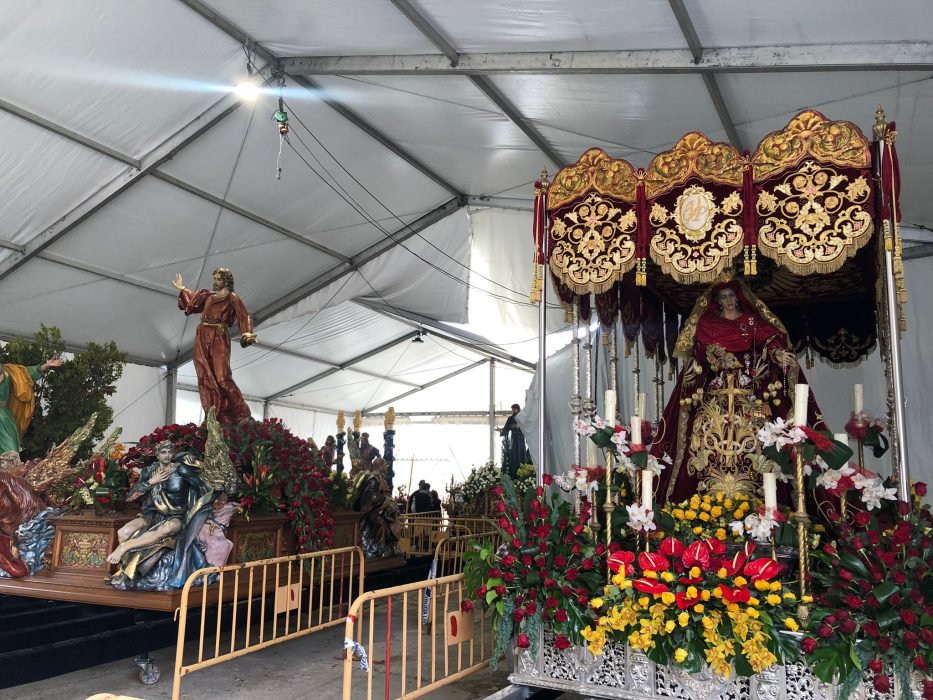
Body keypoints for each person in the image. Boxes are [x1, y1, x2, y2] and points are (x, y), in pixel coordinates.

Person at [652, 278, 825, 508]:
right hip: (716, 398)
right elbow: (700, 350)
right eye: (724, 297)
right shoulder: (708, 322)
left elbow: (769, 339)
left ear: (739, 297)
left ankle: (761, 499)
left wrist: (776, 354)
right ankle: (703, 500)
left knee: (759, 440)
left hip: (747, 397)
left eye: (732, 296)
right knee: (703, 441)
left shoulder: (752, 322)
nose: (729, 301)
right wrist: (713, 355)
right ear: (718, 301)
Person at [107, 441, 214, 590]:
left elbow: (203, 489)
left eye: (170, 452)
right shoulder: (149, 472)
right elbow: (130, 497)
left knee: (167, 528)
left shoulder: (181, 471)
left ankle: (126, 546)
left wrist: (207, 515)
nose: (167, 455)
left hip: (175, 517)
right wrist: (151, 481)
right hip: (150, 515)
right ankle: (126, 571)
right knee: (123, 531)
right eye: (163, 452)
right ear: (157, 454)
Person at [174, 268, 256, 425]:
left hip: (219, 336)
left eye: (218, 279)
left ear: (226, 281)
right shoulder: (209, 297)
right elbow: (192, 301)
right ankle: (214, 414)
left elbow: (244, 315)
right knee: (205, 376)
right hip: (202, 335)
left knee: (222, 376)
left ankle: (241, 412)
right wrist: (183, 289)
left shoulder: (232, 298)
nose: (215, 281)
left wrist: (247, 333)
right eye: (215, 278)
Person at [0, 358, 65, 455]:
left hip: (4, 417)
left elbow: (27, 373)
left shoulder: (9, 371)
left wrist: (47, 365)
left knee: (11, 450)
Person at [351, 457, 401, 559]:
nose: (387, 467)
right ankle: (378, 548)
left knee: (389, 521)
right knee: (380, 524)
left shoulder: (380, 478)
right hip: (369, 510)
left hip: (378, 509)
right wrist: (387, 500)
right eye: (385, 465)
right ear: (380, 466)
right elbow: (372, 497)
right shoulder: (373, 479)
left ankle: (386, 546)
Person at [499, 403, 530, 478]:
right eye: (512, 409)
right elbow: (506, 428)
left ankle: (523, 474)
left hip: (521, 438)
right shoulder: (510, 418)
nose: (513, 410)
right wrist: (501, 431)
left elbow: (527, 425)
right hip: (514, 439)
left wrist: (518, 426)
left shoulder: (522, 417)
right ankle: (514, 474)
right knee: (514, 454)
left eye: (515, 409)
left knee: (521, 452)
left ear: (518, 409)